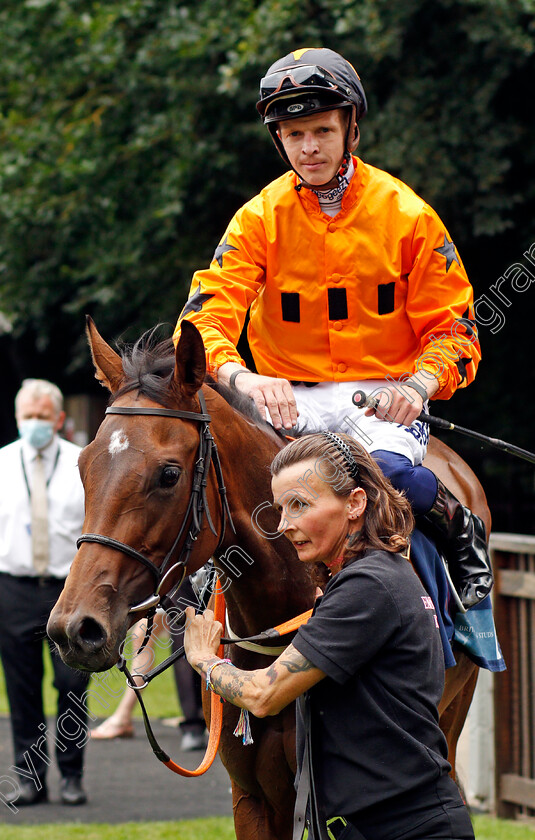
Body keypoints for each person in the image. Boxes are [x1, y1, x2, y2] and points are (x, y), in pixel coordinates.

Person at [175, 46, 492, 609]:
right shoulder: (256, 219)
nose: (309, 147)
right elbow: (201, 319)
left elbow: (458, 332)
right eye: (294, 135)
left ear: (351, 128)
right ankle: (193, 597)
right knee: (220, 479)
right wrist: (241, 379)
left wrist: (417, 386)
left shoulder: (409, 215)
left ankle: (456, 526)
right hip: (285, 397)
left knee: (382, 475)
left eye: (322, 130)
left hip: (381, 398)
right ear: (280, 140)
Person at [184, 433, 475, 840]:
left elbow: (261, 695)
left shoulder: (368, 587)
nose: (284, 525)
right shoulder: (371, 578)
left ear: (355, 503)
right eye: (281, 509)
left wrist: (204, 659)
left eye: (300, 505)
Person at [0, 379, 89, 807]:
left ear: (57, 418)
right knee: (22, 689)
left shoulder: (81, 464)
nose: (34, 423)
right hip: (13, 587)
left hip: (68, 590)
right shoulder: (2, 463)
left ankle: (72, 775)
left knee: (72, 685)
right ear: (17, 419)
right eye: (27, 416)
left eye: (41, 416)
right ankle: (31, 777)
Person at [91, 577, 208, 751]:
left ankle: (205, 719)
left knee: (184, 637)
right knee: (144, 635)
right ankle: (124, 716)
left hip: (199, 574)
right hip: (177, 577)